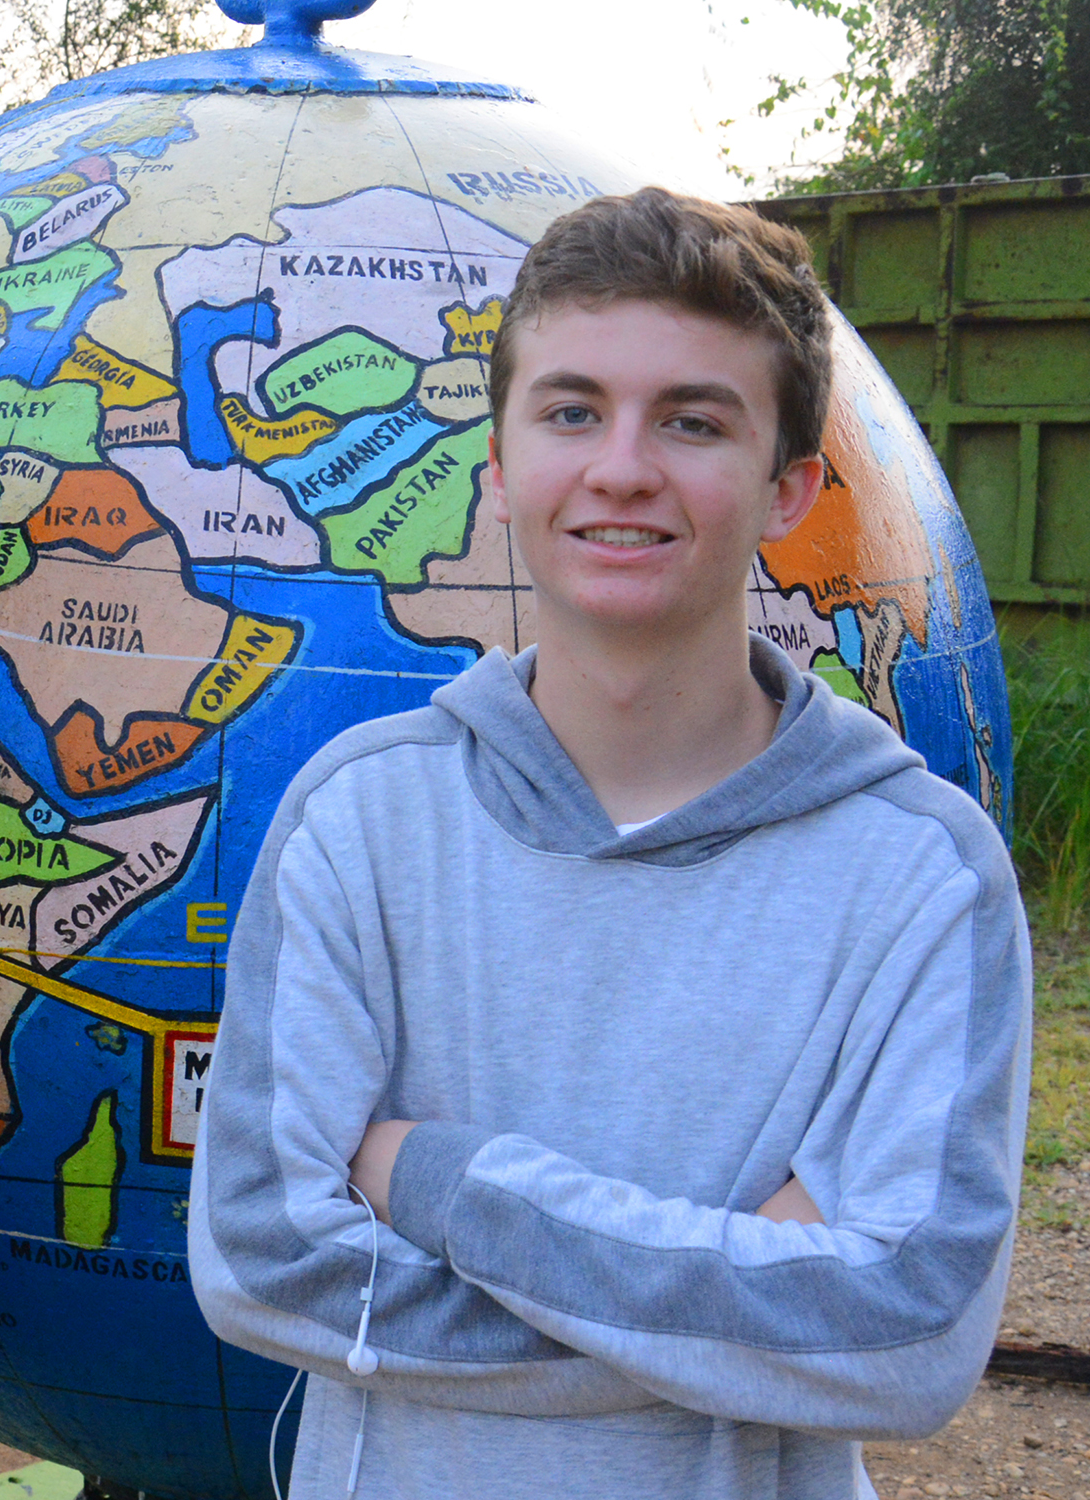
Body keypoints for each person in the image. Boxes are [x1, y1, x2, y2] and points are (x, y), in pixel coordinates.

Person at [187, 187, 1031, 1500]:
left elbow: (905, 1333)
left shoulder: (924, 875)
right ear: (504, 467)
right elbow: (258, 1259)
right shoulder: (358, 824)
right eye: (573, 411)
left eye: (693, 421)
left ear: (790, 486)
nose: (623, 466)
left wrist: (443, 1184)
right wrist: (744, 1301)